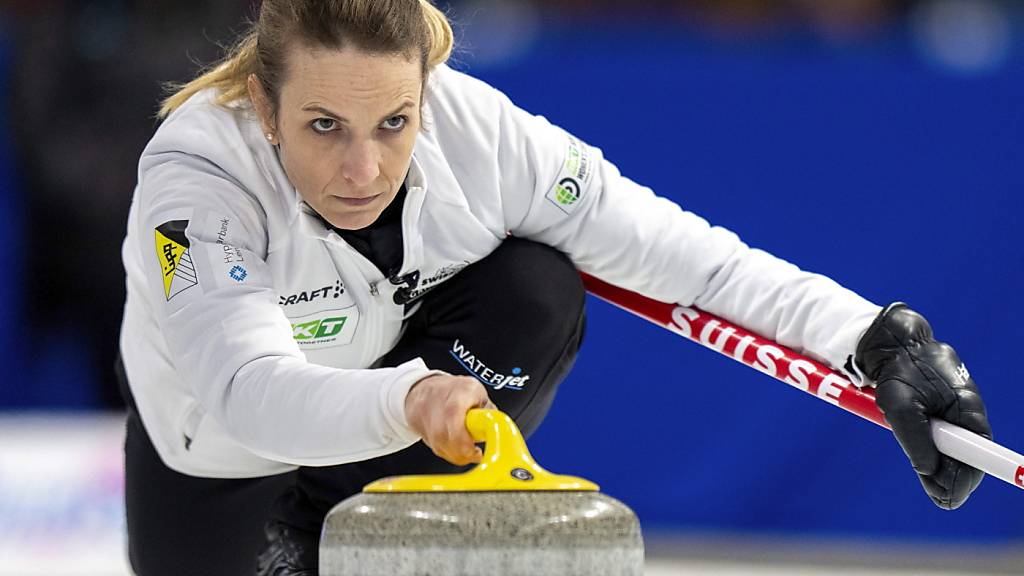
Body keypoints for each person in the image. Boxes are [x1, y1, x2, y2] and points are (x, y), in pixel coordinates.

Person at [117, 1, 993, 574]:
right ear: (264, 109)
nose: (364, 167)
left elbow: (693, 260)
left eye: (394, 122)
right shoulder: (196, 179)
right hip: (219, 465)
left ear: (426, 91)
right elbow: (244, 392)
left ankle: (341, 541)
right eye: (323, 126)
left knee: (535, 289)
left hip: (370, 465)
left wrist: (879, 340)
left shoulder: (483, 135)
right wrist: (411, 396)